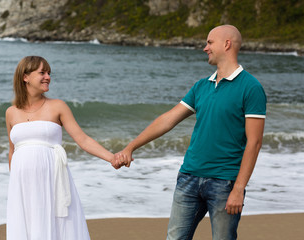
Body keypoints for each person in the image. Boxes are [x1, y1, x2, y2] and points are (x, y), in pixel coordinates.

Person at [114, 25, 267, 240]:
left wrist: (239, 188)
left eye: (210, 42)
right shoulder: (201, 86)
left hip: (224, 183)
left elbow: (255, 142)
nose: (205, 48)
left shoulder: (251, 87)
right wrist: (131, 147)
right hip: (189, 177)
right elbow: (168, 120)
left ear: (227, 44)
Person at [5, 56, 117, 240]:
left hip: (52, 180)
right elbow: (13, 151)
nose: (48, 77)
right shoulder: (11, 112)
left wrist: (111, 158)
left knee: (58, 228)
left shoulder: (57, 106)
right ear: (25, 77)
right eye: (42, 72)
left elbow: (83, 139)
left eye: (49, 73)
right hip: (23, 186)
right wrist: (15, 186)